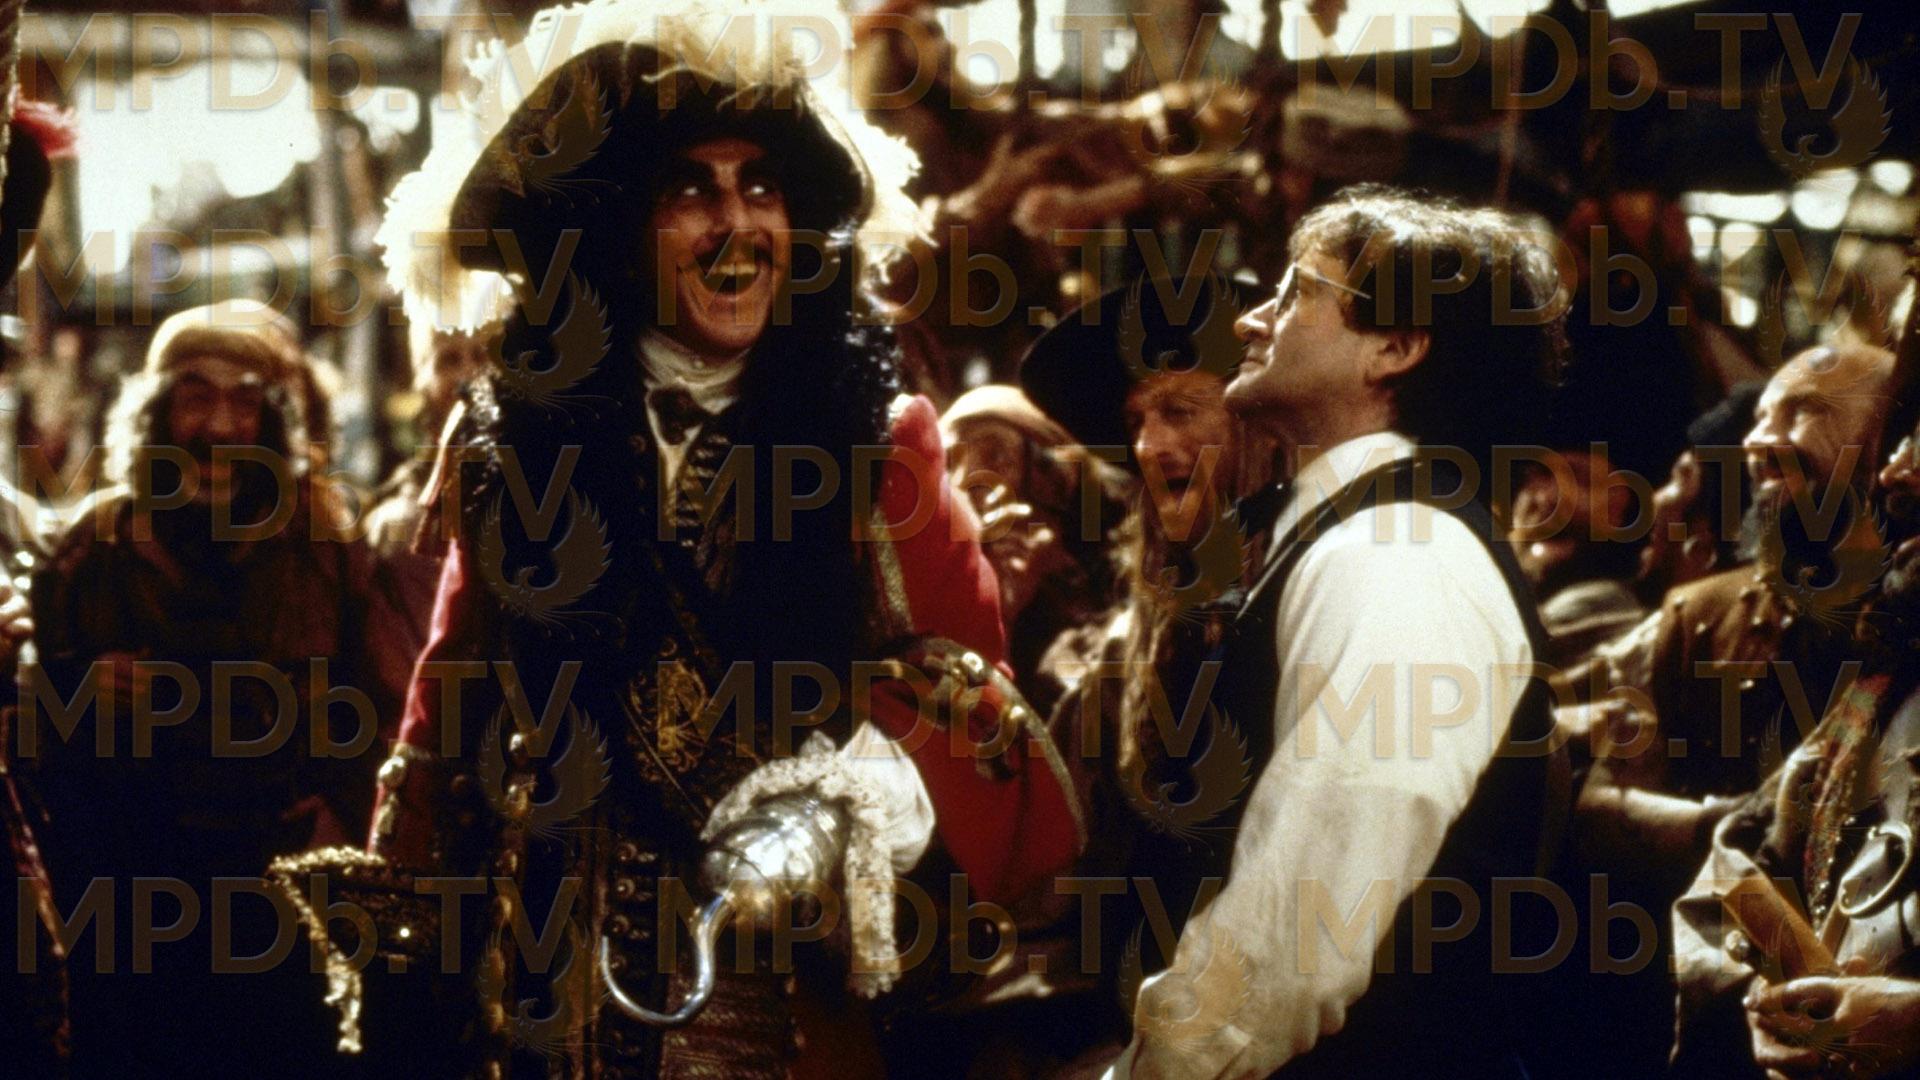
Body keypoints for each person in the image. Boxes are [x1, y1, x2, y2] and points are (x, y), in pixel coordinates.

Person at [311, 5, 1083, 1075]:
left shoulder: (880, 446)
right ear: (614, 234)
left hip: (773, 1008)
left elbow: (974, 696)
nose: (736, 224)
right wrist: (405, 965)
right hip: (539, 1004)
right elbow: (447, 714)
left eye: (760, 188)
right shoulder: (508, 446)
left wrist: (843, 802)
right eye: (689, 193)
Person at [1107, 185, 1568, 1079]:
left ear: (1393, 348)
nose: (1251, 320)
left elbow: (1297, 925)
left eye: (1296, 293)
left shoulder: (1403, 553)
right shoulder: (1350, 530)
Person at [20, 300, 416, 1077]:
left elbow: (380, 728)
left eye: (245, 401)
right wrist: (75, 696)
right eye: (196, 397)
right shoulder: (92, 550)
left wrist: (336, 837)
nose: (221, 427)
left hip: (284, 920)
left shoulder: (329, 553)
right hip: (132, 921)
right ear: (157, 414)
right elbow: (32, 746)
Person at [1672, 395, 1920, 1078]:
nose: (1897, 473)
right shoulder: (1880, 688)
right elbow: (1732, 871)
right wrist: (1775, 995)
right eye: (1906, 438)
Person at [940, 384, 1126, 718]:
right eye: (949, 464)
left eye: (995, 456)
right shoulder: (940, 607)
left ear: (1056, 481)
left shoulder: (1123, 593)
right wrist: (998, 618)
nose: (965, 481)